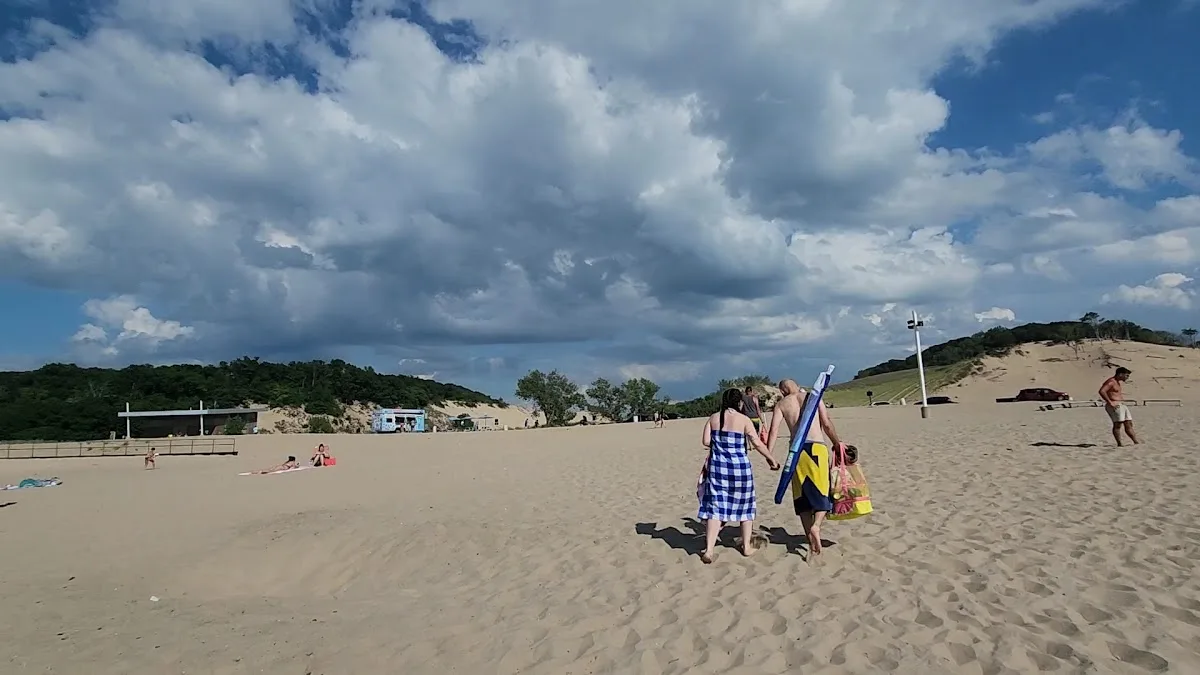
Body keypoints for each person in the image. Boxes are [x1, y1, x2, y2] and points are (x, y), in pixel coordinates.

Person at [696, 388, 780, 563]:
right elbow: (756, 442)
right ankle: (746, 547)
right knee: (745, 506)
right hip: (739, 468)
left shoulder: (714, 418)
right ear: (739, 402)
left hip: (718, 469)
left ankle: (709, 550)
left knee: (715, 508)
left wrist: (720, 443)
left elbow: (705, 441)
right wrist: (771, 458)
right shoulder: (744, 420)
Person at [766, 379, 844, 557]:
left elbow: (773, 430)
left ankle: (810, 537)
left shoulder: (782, 404)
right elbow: (826, 423)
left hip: (796, 452)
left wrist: (769, 456)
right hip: (816, 448)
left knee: (802, 497)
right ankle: (817, 526)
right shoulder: (813, 397)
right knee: (822, 491)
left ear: (783, 390)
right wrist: (837, 444)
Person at [1099, 367, 1139, 446]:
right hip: (1114, 405)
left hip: (1121, 404)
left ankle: (1135, 441)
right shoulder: (1111, 382)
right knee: (1118, 424)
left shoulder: (1117, 382)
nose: (1127, 377)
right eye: (1126, 375)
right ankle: (1119, 443)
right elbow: (1102, 391)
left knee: (1128, 423)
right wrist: (1110, 402)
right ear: (1120, 374)